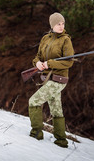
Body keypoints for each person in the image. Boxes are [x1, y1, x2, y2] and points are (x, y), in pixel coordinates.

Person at [28, 12, 74, 148]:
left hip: (59, 79)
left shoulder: (66, 40)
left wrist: (51, 64)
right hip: (47, 79)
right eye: (58, 24)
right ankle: (61, 141)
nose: (61, 26)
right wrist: (37, 63)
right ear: (52, 25)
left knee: (34, 101)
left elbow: (69, 62)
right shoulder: (45, 39)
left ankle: (36, 133)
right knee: (56, 109)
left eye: (63, 23)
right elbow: (37, 56)